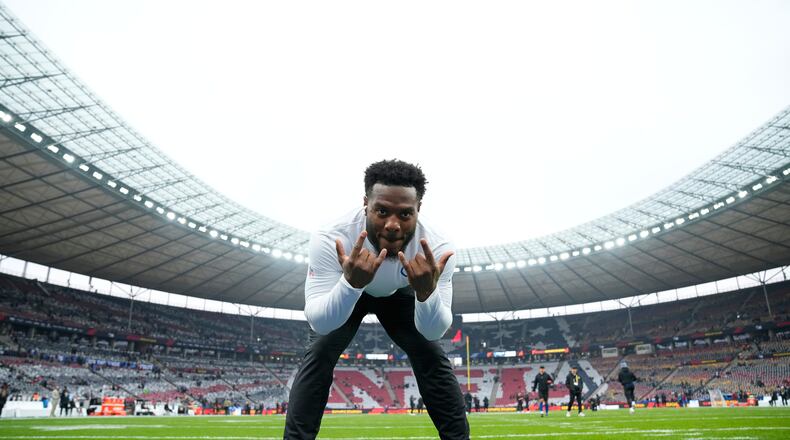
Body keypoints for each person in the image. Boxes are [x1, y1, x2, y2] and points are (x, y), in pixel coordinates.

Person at [283, 160, 468, 440]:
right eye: (382, 211)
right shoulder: (331, 237)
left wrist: (425, 293)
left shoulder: (438, 248)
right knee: (319, 353)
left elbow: (434, 330)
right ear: (365, 203)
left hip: (401, 295)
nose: (393, 225)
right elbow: (320, 323)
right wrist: (351, 284)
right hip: (348, 289)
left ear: (419, 210)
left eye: (405, 214)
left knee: (430, 354)